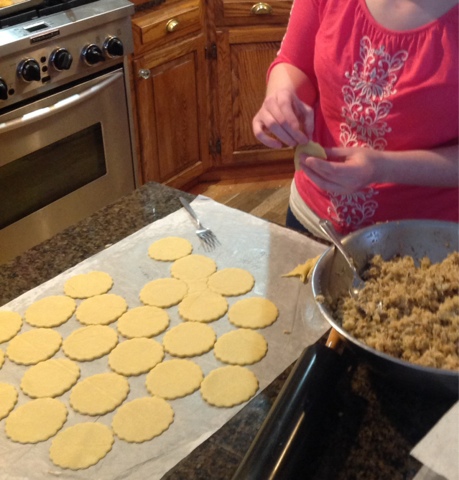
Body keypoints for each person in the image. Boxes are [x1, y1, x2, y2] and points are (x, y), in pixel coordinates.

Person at [253, 0, 459, 239]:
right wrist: (282, 95)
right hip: (312, 219)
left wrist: (384, 168)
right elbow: (295, 62)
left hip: (428, 240)